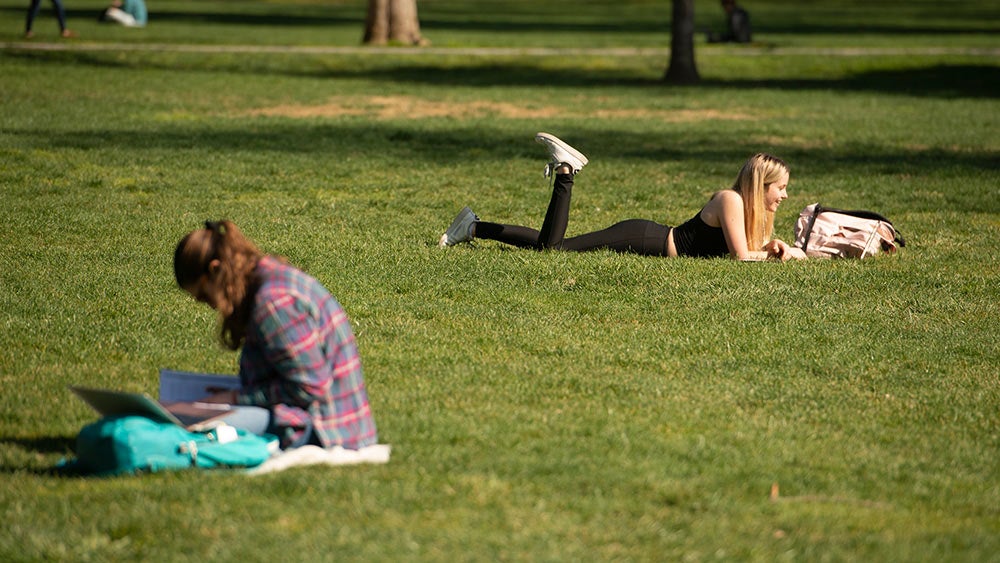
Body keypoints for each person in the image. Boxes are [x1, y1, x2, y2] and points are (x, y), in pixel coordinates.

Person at [440, 133, 806, 261]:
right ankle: (565, 173)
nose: (785, 195)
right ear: (761, 186)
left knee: (551, 246)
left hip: (650, 239)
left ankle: (473, 227)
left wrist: (785, 250)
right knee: (554, 251)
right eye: (781, 188)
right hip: (645, 238)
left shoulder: (745, 208)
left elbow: (750, 251)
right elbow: (742, 258)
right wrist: (782, 257)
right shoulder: (731, 200)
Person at [173, 220, 378, 450]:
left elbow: (310, 388)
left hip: (326, 431)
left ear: (215, 269)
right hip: (322, 420)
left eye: (203, 296)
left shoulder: (273, 304)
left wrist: (234, 399)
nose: (207, 305)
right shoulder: (265, 276)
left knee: (190, 427)